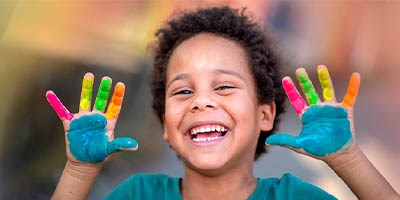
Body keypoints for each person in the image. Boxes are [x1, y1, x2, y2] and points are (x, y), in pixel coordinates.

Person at [46, 6, 399, 200]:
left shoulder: (294, 196)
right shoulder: (139, 194)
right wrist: (80, 170)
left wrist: (347, 158)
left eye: (225, 86)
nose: (201, 101)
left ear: (265, 114)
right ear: (166, 127)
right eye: (183, 91)